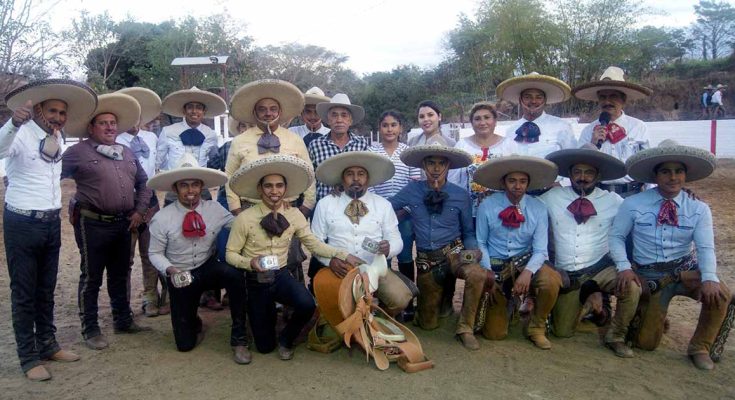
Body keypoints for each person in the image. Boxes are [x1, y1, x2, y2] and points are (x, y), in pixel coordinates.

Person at [1, 79, 96, 381]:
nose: (57, 117)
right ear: (39, 109)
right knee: (24, 292)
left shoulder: (57, 136)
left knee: (46, 289)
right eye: (52, 111)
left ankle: (48, 344)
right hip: (22, 221)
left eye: (62, 113)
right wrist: (12, 124)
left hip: (50, 222)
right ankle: (28, 358)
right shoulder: (20, 134)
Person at [225, 155, 364, 360]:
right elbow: (230, 254)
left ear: (286, 188)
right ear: (260, 189)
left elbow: (313, 244)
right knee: (264, 346)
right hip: (256, 279)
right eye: (269, 186)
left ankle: (287, 339)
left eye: (279, 186)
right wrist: (250, 263)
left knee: (307, 304)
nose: (274, 191)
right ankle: (262, 329)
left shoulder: (294, 215)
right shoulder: (245, 218)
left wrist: (342, 254)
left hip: (281, 275)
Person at [610, 140, 732, 370]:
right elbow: (616, 237)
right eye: (666, 171)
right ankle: (652, 315)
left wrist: (708, 278)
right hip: (651, 276)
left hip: (686, 271)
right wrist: (624, 267)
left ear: (686, 176)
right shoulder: (633, 204)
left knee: (720, 293)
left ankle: (700, 347)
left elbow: (706, 247)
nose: (673, 177)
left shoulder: (698, 208)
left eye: (679, 171)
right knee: (645, 343)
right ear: (655, 175)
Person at [62, 93, 153, 351]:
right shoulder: (76, 152)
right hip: (92, 223)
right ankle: (90, 328)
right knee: (91, 276)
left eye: (113, 122)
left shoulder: (126, 151)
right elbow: (49, 174)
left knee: (120, 273)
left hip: (124, 223)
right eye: (103, 122)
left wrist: (139, 210)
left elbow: (143, 183)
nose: (110, 126)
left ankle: (122, 320)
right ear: (91, 127)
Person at [146, 153, 250, 364]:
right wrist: (171, 270)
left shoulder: (214, 210)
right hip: (179, 272)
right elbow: (154, 253)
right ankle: (192, 320)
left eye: (195, 185)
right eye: (184, 185)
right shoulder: (162, 218)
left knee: (234, 275)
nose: (190, 191)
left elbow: (239, 225)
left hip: (207, 266)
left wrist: (257, 215)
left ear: (202, 186)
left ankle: (239, 336)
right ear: (175, 189)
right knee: (185, 345)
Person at [539, 145, 641, 357]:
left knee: (631, 286)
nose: (582, 178)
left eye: (588, 172)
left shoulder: (614, 201)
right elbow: (525, 206)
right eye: (577, 172)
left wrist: (679, 196)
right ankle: (593, 309)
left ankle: (616, 335)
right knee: (562, 332)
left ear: (598, 175)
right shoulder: (552, 197)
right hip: (568, 273)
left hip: (601, 269)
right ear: (569, 174)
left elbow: (645, 211)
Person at [389, 144, 488, 350]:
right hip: (427, 260)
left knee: (477, 274)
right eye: (431, 163)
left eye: (441, 163)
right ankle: (441, 303)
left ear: (449, 166)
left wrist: (473, 249)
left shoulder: (461, 195)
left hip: (454, 254)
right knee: (428, 324)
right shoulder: (411, 190)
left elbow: (468, 232)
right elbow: (383, 206)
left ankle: (465, 328)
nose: (435, 168)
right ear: (423, 165)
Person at [311, 151, 414, 317]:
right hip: (341, 269)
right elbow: (315, 241)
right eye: (350, 174)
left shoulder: (383, 205)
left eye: (361, 174)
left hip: (374, 269)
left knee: (401, 298)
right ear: (342, 178)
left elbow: (396, 239)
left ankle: (376, 321)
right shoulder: (325, 204)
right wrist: (330, 260)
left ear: (368, 178)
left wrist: (389, 248)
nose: (356, 179)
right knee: (337, 310)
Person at [472, 155, 559, 349]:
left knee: (550, 280)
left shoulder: (538, 208)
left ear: (528, 183)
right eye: (512, 181)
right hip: (496, 264)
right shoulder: (487, 205)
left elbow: (540, 250)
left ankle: (537, 327)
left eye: (522, 181)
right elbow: (481, 242)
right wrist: (489, 272)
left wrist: (528, 273)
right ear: (503, 182)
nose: (517, 186)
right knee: (494, 334)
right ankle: (508, 304)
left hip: (525, 262)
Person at [116, 86, 168, 317]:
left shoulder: (151, 138)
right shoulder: (114, 138)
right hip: (124, 202)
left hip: (150, 201)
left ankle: (150, 297)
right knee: (124, 257)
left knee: (151, 253)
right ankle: (123, 304)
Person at [224, 79, 312, 216]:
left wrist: (306, 206)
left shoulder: (295, 139)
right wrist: (236, 209)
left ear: (280, 112)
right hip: (251, 209)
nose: (268, 113)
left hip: (288, 209)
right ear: (254, 113)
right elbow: (229, 176)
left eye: (273, 109)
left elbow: (308, 173)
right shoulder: (239, 141)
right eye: (262, 109)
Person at [369, 110, 421, 319]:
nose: (389, 129)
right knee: (384, 257)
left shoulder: (408, 152)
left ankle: (408, 302)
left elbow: (415, 185)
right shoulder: (372, 151)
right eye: (385, 125)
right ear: (379, 128)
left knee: (406, 256)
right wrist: (381, 212)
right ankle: (386, 301)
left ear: (401, 128)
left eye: (393, 125)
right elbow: (369, 183)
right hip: (379, 215)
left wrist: (402, 211)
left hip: (404, 216)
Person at [573, 66, 653, 197]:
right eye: (603, 97)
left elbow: (647, 163)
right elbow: (578, 165)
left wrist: (650, 194)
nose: (607, 101)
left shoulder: (638, 127)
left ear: (623, 100)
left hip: (633, 193)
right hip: (598, 194)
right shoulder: (588, 131)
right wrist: (593, 144)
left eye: (613, 96)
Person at [496, 72, 576, 191]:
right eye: (528, 97)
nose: (533, 101)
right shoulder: (511, 130)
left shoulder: (561, 126)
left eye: (538, 97)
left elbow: (573, 160)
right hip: (521, 193)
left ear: (545, 100)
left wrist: (563, 183)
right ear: (520, 100)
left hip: (554, 191)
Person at [156, 86, 226, 204]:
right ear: (184, 111)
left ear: (204, 111)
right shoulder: (168, 132)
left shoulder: (210, 134)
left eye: (198, 108)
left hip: (201, 188)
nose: (194, 111)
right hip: (175, 188)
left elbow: (214, 161)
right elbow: (159, 161)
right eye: (190, 107)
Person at [448, 101, 518, 216]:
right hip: (470, 212)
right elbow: (453, 180)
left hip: (504, 211)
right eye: (477, 119)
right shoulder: (462, 146)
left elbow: (517, 177)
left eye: (487, 117)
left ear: (495, 121)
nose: (482, 122)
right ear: (471, 122)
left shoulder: (509, 145)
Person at [308, 93, 370, 202]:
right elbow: (310, 179)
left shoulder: (361, 143)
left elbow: (366, 177)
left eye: (344, 115)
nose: (339, 120)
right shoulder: (315, 145)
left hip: (354, 204)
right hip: (323, 206)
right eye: (334, 115)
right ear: (328, 120)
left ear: (350, 120)